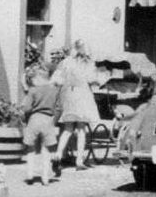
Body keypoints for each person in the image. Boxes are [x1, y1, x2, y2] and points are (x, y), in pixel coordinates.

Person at [53, 39, 98, 170]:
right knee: (81, 129)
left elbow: (57, 80)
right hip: (83, 96)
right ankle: (79, 160)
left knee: (67, 129)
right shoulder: (88, 63)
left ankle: (58, 155)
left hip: (68, 95)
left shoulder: (66, 62)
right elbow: (91, 79)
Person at [21, 69, 61, 186]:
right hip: (48, 120)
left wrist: (25, 115)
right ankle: (45, 177)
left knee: (30, 148)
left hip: (34, 119)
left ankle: (30, 174)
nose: (31, 83)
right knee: (46, 150)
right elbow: (59, 108)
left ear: (37, 79)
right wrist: (54, 120)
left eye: (31, 80)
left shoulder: (33, 90)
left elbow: (27, 108)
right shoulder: (54, 90)